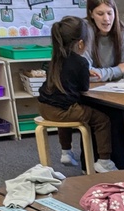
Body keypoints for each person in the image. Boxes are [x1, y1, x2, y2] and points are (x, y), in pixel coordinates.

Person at [37, 16, 117, 173]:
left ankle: (66, 152)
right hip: (62, 111)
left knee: (66, 106)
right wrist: (85, 74)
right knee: (102, 120)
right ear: (81, 43)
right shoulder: (81, 62)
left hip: (44, 107)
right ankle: (104, 160)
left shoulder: (55, 59)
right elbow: (83, 87)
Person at [81, 0, 124, 170]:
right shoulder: (84, 31)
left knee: (120, 109)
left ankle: (121, 165)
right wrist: (118, 70)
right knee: (105, 113)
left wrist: (117, 72)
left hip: (116, 89)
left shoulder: (121, 31)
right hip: (90, 92)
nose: (106, 19)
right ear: (91, 14)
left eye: (109, 13)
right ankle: (93, 163)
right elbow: (86, 73)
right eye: (100, 14)